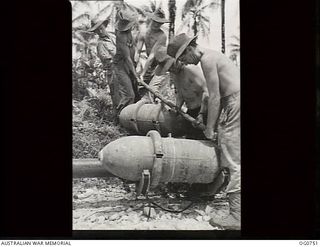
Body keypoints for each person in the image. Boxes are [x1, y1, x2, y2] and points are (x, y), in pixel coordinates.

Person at [167, 33, 241, 230]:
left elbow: (214, 96)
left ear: (189, 49)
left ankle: (237, 216)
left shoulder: (206, 60)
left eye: (183, 58)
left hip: (234, 102)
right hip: (233, 102)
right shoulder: (211, 56)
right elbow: (215, 97)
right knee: (232, 152)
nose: (185, 62)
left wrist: (209, 128)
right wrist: (206, 118)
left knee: (232, 156)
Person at [149, 46, 209, 138]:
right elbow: (181, 93)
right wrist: (177, 107)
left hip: (204, 111)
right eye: (168, 69)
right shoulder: (174, 74)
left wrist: (201, 114)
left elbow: (206, 92)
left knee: (204, 140)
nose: (171, 70)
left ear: (177, 60)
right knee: (190, 140)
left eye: (171, 66)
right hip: (190, 112)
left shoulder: (191, 70)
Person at [113, 7, 140, 119]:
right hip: (121, 67)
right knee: (129, 95)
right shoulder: (120, 36)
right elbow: (127, 58)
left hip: (129, 65)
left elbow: (133, 48)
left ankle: (129, 119)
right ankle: (119, 118)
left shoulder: (129, 33)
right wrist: (135, 75)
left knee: (136, 93)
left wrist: (135, 65)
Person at [134, 8, 169, 88]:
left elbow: (151, 56)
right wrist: (136, 65)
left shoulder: (162, 36)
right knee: (141, 88)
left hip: (161, 65)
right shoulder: (143, 32)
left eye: (159, 23)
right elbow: (138, 51)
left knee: (154, 89)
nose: (156, 25)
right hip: (150, 65)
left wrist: (143, 73)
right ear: (151, 20)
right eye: (155, 22)